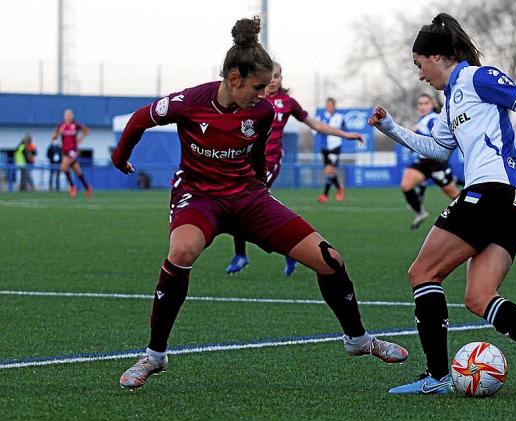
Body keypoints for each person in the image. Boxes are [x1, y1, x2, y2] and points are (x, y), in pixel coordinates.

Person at [111, 17, 408, 390]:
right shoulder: (189, 102)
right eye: (258, 86)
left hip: (248, 197)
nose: (263, 95)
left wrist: (258, 188)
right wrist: (120, 158)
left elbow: (255, 157)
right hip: (200, 197)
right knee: (182, 251)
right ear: (233, 78)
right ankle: (154, 356)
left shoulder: (262, 112)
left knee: (330, 259)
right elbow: (140, 119)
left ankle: (358, 340)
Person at [369, 13, 516, 397]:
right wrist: (390, 128)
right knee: (478, 297)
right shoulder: (450, 102)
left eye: (419, 64)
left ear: (437, 56)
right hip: (513, 207)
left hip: (493, 194)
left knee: (422, 273)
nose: (420, 74)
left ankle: (437, 376)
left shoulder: (477, 77)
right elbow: (437, 150)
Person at [226, 61, 363, 277]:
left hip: (269, 163)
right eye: (269, 76)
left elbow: (316, 125)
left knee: (243, 205)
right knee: (242, 209)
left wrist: (345, 135)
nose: (273, 80)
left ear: (282, 78)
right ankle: (282, 248)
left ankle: (245, 254)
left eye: (277, 76)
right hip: (244, 162)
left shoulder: (287, 102)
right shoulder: (250, 98)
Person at [401, 93, 461, 229]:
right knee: (406, 185)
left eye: (426, 103)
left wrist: (417, 135)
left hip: (436, 162)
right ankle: (420, 212)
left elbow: (436, 138)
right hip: (423, 162)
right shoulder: (421, 120)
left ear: (432, 104)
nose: (422, 106)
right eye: (420, 104)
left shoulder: (432, 119)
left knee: (453, 194)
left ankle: (475, 213)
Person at [51, 108, 93, 198]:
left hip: (73, 151)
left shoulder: (75, 125)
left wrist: (80, 139)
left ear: (72, 116)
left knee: (63, 167)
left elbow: (86, 131)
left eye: (70, 114)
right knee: (77, 171)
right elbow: (53, 138)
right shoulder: (61, 125)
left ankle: (72, 187)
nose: (68, 116)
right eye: (66, 114)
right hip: (65, 151)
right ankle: (87, 187)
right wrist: (58, 133)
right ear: (64, 116)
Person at [316, 97, 350, 203]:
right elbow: (314, 129)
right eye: (328, 105)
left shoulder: (340, 117)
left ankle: (325, 195)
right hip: (324, 147)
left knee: (330, 169)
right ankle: (339, 187)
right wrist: (319, 129)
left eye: (331, 105)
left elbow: (345, 130)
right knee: (329, 171)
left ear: (334, 106)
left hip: (335, 147)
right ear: (326, 106)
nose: (329, 107)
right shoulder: (321, 117)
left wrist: (338, 131)